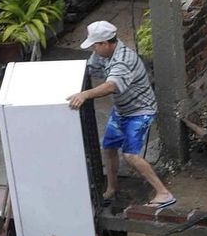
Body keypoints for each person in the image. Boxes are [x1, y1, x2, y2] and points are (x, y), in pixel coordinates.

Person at [66, 20, 175, 209]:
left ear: (106, 43)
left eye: (95, 45)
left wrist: (85, 94)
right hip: (122, 109)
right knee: (108, 147)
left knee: (130, 155)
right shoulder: (102, 54)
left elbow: (111, 85)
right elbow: (89, 69)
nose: (93, 49)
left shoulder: (124, 60)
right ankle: (112, 187)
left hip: (140, 111)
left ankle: (164, 193)